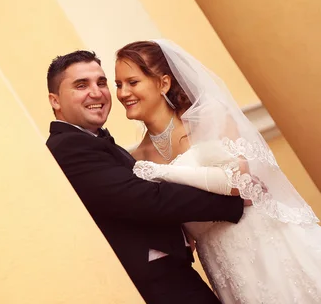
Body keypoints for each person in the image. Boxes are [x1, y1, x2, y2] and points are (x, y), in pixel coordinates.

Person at [115, 39, 321, 303]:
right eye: (118, 84)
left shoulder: (208, 118)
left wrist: (163, 172)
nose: (123, 93)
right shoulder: (136, 158)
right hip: (221, 260)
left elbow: (239, 182)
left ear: (163, 83)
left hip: (263, 241)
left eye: (132, 82)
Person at [45, 50, 246, 303]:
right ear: (55, 100)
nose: (97, 92)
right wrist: (229, 202)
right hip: (158, 284)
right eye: (81, 85)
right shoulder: (68, 146)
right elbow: (146, 198)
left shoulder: (95, 141)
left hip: (173, 276)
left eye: (102, 82)